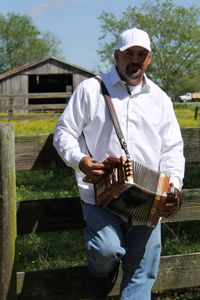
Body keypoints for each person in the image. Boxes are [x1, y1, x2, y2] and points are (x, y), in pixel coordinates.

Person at [53, 28, 185, 300]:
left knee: (141, 275)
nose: (135, 60)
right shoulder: (91, 89)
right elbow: (64, 132)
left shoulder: (159, 98)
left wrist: (173, 188)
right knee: (105, 251)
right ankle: (101, 275)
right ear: (117, 56)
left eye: (141, 54)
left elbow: (172, 148)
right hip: (101, 195)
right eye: (129, 54)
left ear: (148, 59)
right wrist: (81, 161)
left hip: (147, 200)